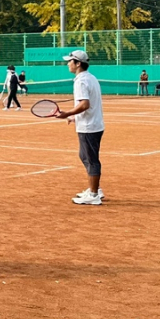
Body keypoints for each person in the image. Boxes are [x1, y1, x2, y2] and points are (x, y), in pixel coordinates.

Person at [53, 49, 105, 205]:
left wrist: (66, 113)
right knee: (84, 156)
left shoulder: (81, 81)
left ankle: (94, 194)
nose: (68, 64)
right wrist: (74, 117)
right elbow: (88, 105)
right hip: (92, 124)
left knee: (91, 159)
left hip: (89, 127)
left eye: (70, 61)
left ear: (78, 64)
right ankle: (94, 188)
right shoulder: (91, 78)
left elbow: (85, 104)